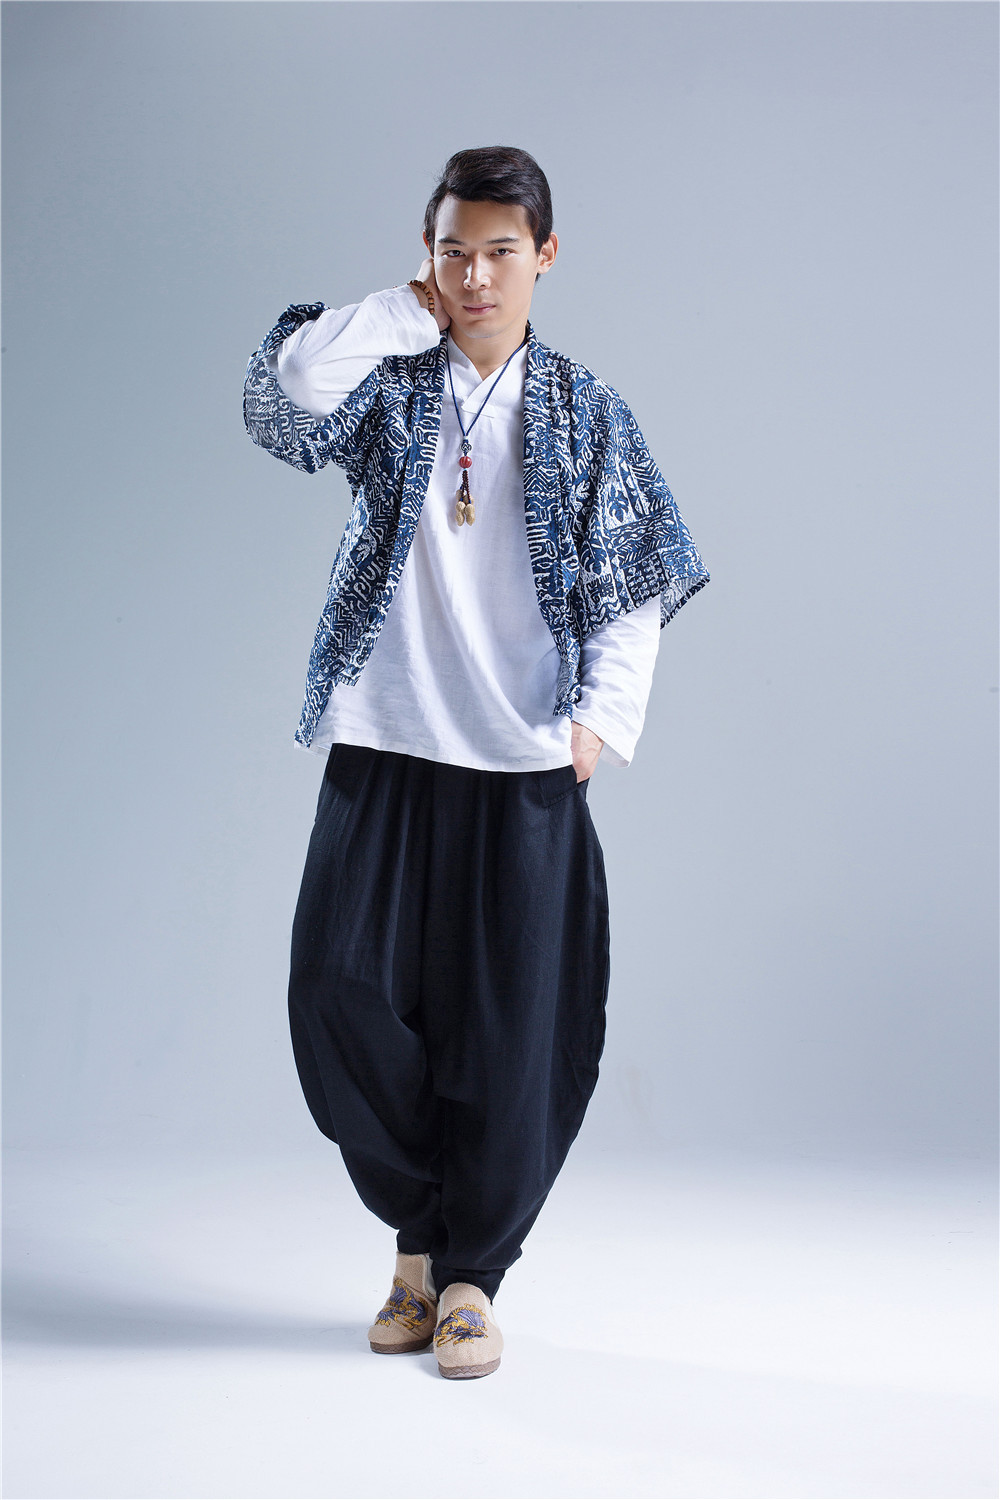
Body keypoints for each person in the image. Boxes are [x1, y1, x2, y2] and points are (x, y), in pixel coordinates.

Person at [243, 145, 709, 1381]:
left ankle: (464, 1283)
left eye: (501, 251)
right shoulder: (392, 385)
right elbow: (282, 395)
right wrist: (401, 311)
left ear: (545, 257)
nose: (476, 276)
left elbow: (637, 577)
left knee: (510, 1032)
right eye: (454, 250)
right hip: (385, 737)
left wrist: (599, 722)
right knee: (338, 991)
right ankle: (416, 1233)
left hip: (522, 756)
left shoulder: (587, 411)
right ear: (429, 254)